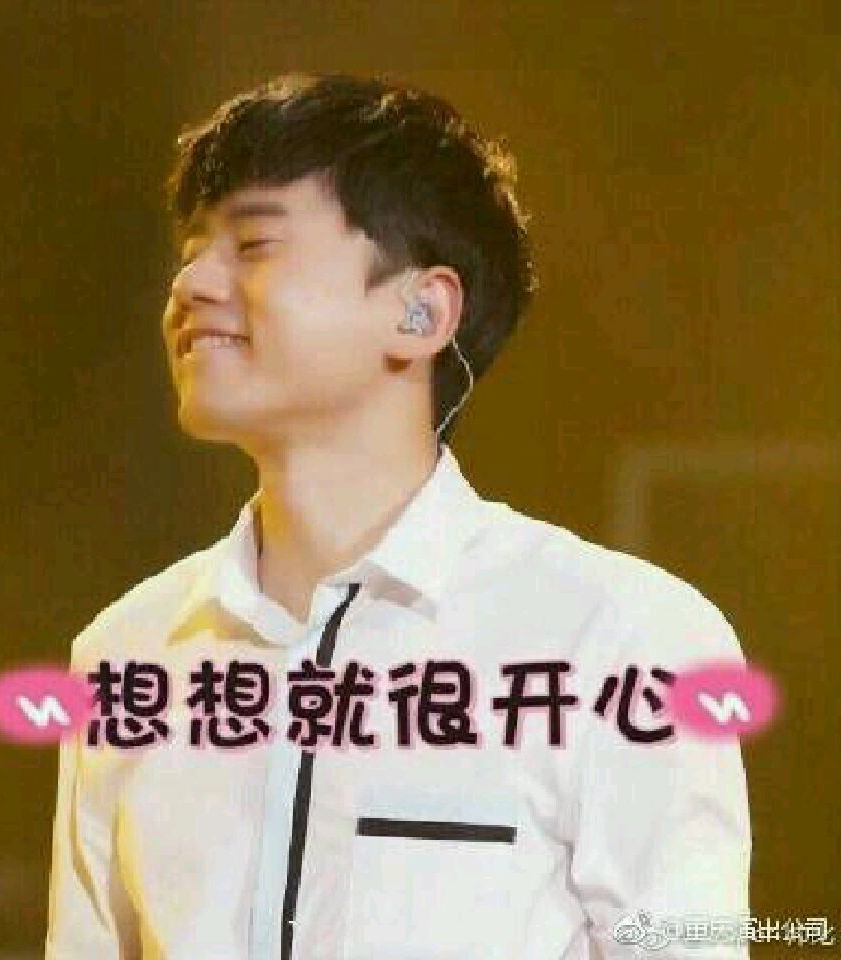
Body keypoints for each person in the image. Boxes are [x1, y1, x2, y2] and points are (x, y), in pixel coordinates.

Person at [45, 72, 751, 960]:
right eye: (190, 251)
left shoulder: (620, 642)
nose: (190, 282)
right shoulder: (125, 657)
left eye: (254, 244)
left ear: (421, 311)